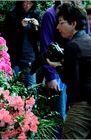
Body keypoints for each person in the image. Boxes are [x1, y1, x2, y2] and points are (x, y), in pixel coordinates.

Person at [47, 2, 91, 139]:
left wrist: (57, 67)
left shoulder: (72, 46)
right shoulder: (88, 40)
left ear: (73, 23)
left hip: (82, 105)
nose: (57, 27)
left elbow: (71, 80)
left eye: (61, 23)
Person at [40, 0, 67, 121]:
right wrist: (50, 77)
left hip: (73, 70)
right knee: (59, 114)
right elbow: (46, 46)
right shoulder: (50, 14)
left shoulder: (76, 11)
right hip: (57, 71)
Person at [3, 1, 40, 88]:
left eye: (30, 3)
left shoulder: (35, 15)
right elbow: (6, 35)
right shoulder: (12, 14)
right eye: (25, 2)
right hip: (15, 56)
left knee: (31, 88)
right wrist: (20, 26)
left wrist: (37, 26)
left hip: (30, 56)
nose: (27, 5)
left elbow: (39, 38)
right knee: (12, 86)